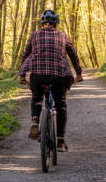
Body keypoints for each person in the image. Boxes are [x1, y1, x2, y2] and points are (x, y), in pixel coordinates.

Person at [18, 9, 83, 152]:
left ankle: (35, 119)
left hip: (38, 76)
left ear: (42, 23)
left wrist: (22, 75)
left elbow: (25, 55)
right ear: (56, 24)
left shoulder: (34, 36)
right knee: (61, 106)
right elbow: (73, 55)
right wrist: (78, 73)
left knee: (36, 97)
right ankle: (60, 141)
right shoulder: (63, 36)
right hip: (58, 76)